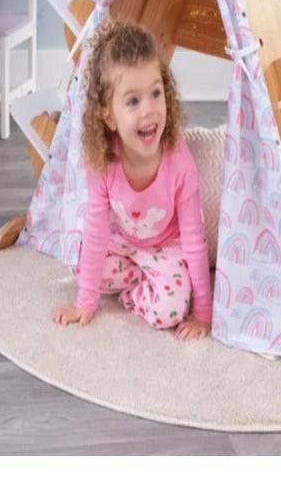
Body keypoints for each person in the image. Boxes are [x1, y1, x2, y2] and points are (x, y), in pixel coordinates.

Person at [52, 20, 212, 341]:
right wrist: (85, 304)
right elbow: (97, 233)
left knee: (170, 310)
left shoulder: (179, 163)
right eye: (133, 101)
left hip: (167, 247)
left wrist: (203, 314)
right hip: (123, 244)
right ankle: (139, 279)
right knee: (82, 265)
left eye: (155, 93)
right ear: (109, 116)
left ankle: (135, 290)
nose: (149, 110)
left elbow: (195, 241)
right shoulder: (102, 163)